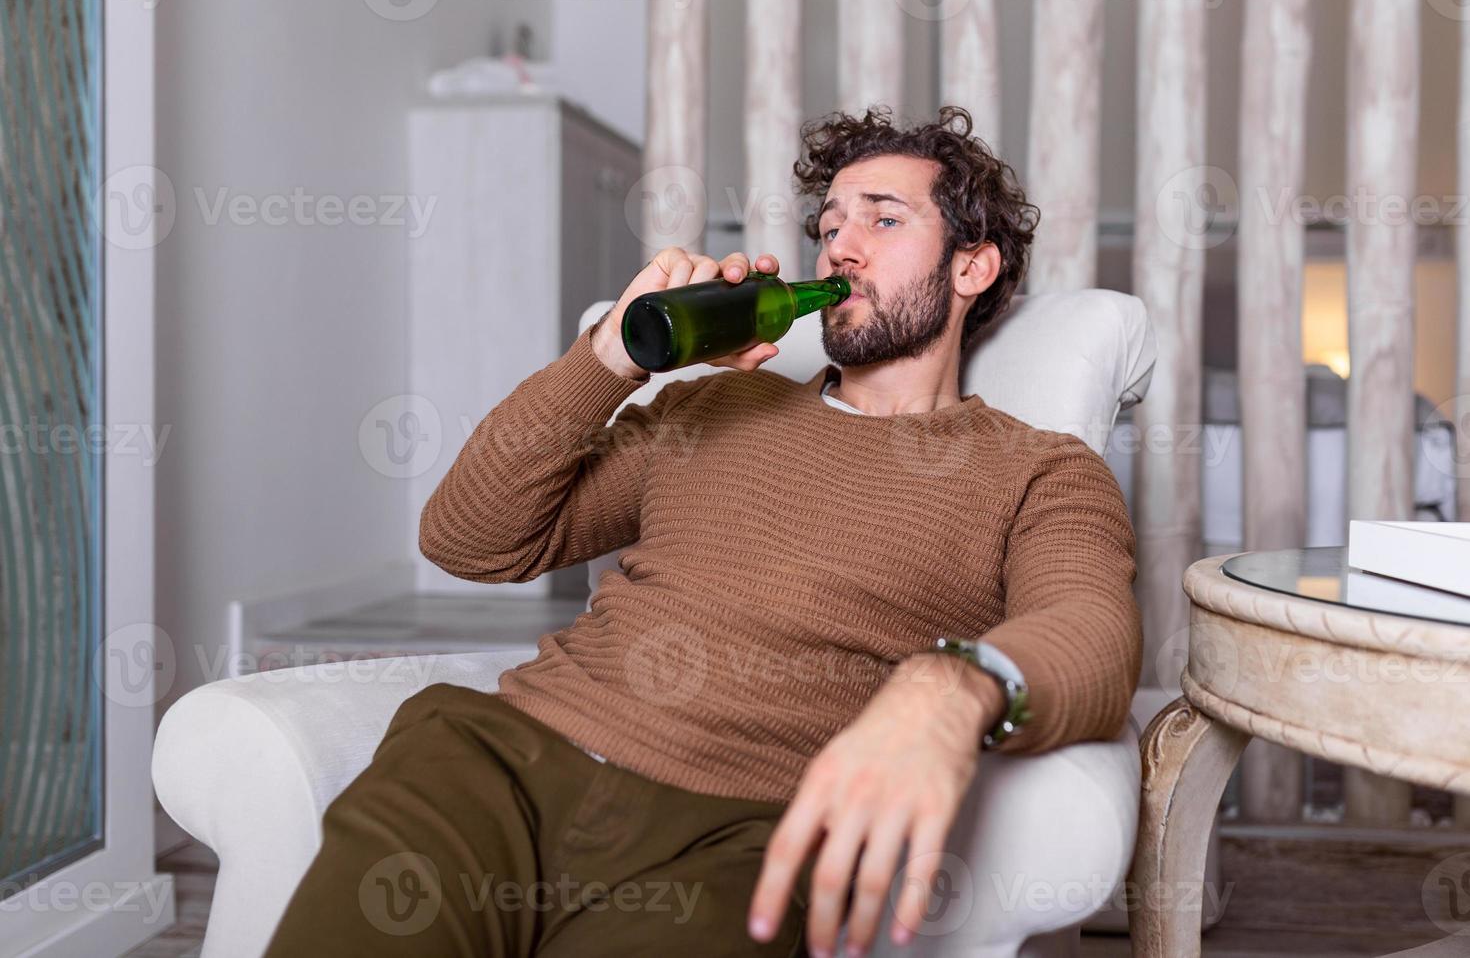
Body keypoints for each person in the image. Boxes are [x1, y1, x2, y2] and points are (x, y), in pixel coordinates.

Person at [263, 105, 1142, 958]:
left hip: (740, 839)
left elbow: (1095, 635)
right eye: (831, 224)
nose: (841, 244)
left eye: (883, 218)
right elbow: (469, 539)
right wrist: (612, 355)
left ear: (970, 268)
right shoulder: (711, 404)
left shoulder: (1037, 467)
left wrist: (952, 688)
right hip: (497, 764)